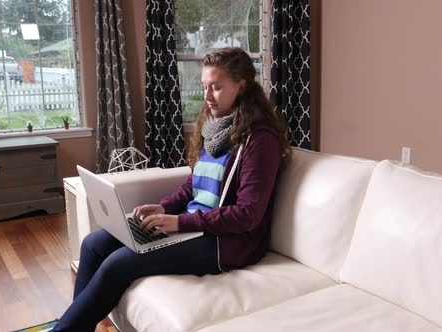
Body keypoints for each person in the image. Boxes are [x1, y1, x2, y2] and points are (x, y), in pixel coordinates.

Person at [52, 47, 291, 331]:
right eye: (204, 86)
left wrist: (179, 222)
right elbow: (195, 183)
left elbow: (247, 215)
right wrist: (165, 207)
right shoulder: (215, 128)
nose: (207, 97)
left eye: (216, 87)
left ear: (241, 86)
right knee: (93, 244)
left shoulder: (260, 141)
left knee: (118, 264)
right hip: (195, 226)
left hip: (226, 242)